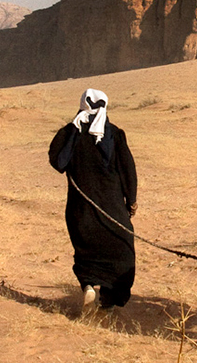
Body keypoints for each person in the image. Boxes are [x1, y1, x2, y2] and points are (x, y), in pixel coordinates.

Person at [48, 89, 138, 313]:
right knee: (123, 252)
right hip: (112, 209)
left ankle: (88, 286)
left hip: (80, 210)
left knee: (86, 251)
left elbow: (58, 162)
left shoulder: (70, 132)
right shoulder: (114, 134)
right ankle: (108, 302)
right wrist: (132, 201)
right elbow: (128, 170)